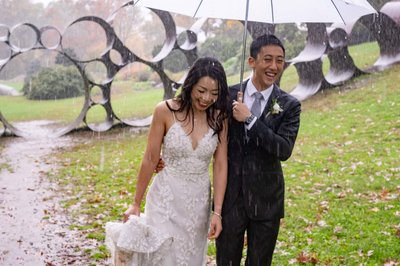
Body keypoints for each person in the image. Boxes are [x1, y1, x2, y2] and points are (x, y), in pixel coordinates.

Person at [105, 57, 230, 266]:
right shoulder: (164, 110)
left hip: (198, 202)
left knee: (189, 257)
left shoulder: (220, 117)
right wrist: (136, 203)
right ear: (190, 84)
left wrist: (217, 212)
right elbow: (150, 158)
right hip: (165, 198)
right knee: (163, 256)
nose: (207, 98)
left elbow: (220, 164)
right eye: (201, 91)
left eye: (214, 93)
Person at [216, 34, 301, 265]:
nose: (274, 66)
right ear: (252, 61)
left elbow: (283, 149)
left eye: (280, 60)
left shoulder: (289, 105)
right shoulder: (228, 96)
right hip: (231, 198)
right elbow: (209, 136)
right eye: (268, 59)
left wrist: (250, 119)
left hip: (267, 200)